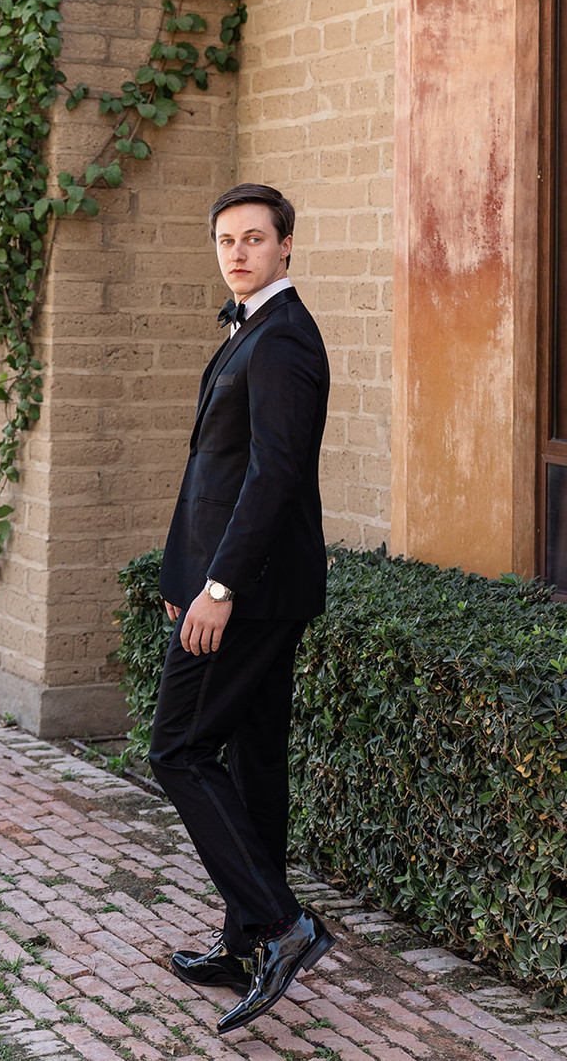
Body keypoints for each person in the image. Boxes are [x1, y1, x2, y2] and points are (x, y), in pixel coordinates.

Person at [148, 182, 333, 1036]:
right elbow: (216, 472)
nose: (237, 252)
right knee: (254, 763)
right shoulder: (249, 328)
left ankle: (281, 923)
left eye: (255, 238)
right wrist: (190, 573)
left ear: (286, 246)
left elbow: (272, 477)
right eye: (225, 239)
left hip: (249, 594)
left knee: (179, 749)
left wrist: (217, 588)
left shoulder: (285, 339)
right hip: (240, 584)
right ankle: (243, 942)